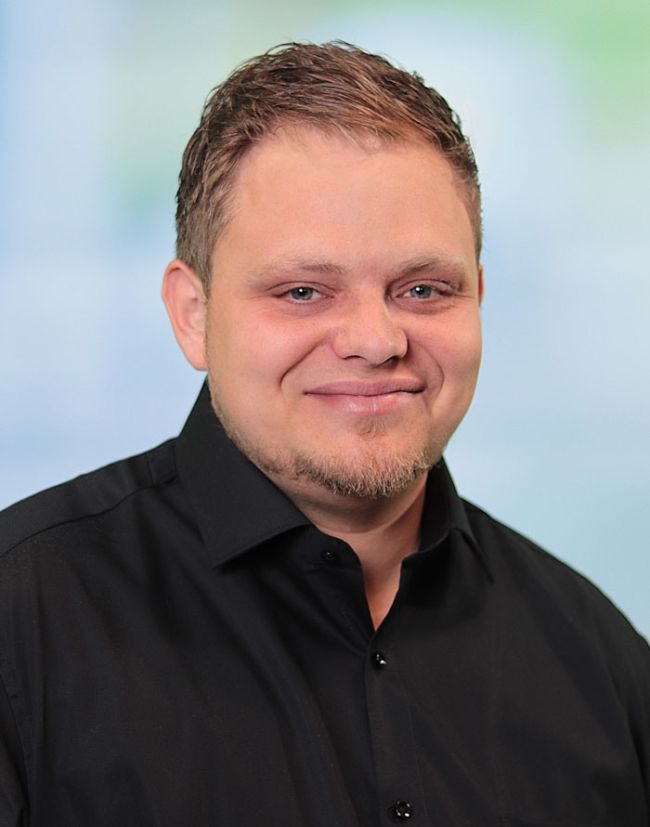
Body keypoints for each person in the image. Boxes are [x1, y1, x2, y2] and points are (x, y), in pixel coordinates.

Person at [0, 41, 648, 827]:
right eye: (304, 290)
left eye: (423, 289)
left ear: (478, 296)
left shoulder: (601, 662)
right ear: (193, 315)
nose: (376, 340)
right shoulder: (23, 621)